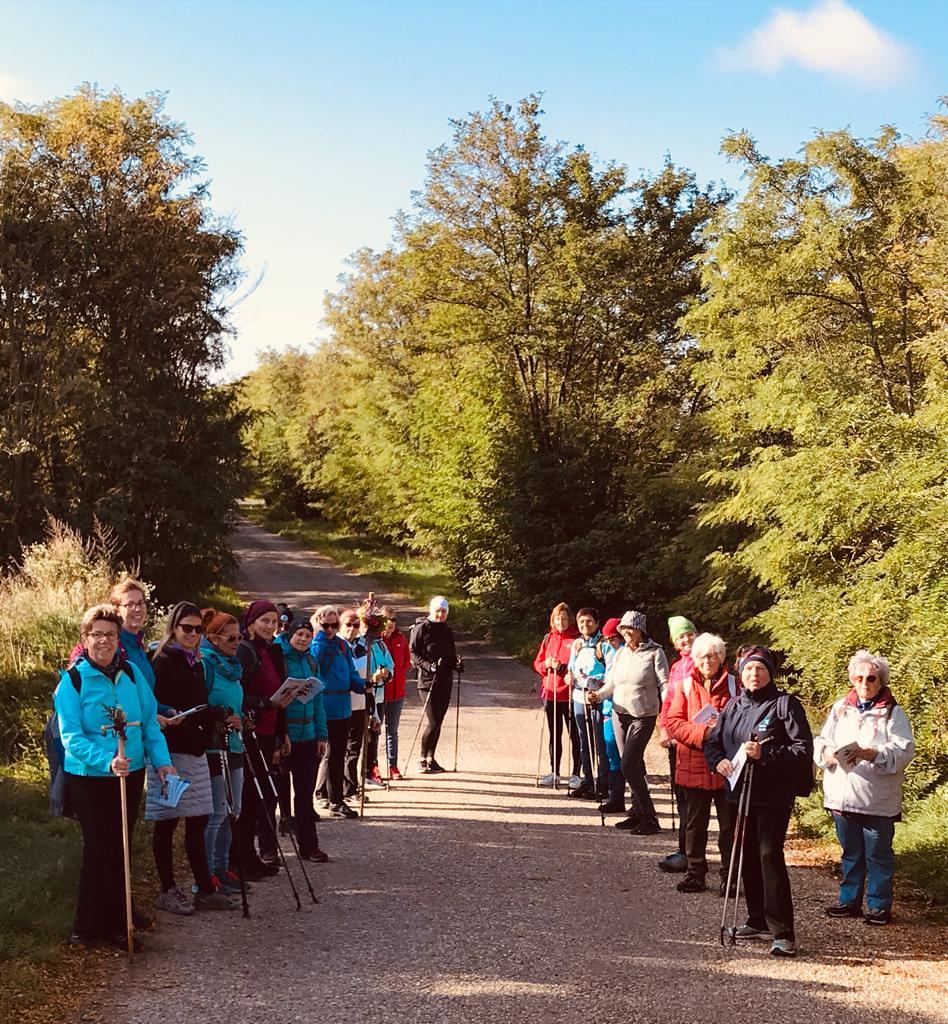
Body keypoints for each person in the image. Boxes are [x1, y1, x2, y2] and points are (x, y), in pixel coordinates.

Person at [55, 605, 176, 950]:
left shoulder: (133, 674)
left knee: (121, 846)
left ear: (118, 639)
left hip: (131, 772)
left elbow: (149, 723)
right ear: (85, 639)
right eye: (97, 634)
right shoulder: (72, 682)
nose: (104, 641)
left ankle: (117, 924)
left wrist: (163, 762)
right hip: (89, 777)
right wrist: (107, 761)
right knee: (99, 847)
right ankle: (85, 925)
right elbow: (71, 737)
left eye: (110, 634)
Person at [704, 645, 813, 957]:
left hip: (773, 795)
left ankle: (783, 931)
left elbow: (803, 749)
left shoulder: (785, 705)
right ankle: (757, 919)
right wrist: (718, 762)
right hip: (738, 792)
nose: (754, 674)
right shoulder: (734, 705)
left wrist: (766, 754)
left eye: (761, 669)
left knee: (768, 855)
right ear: (741, 672)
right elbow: (713, 743)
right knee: (746, 855)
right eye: (749, 669)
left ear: (770, 673)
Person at [814, 650, 915, 926]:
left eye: (871, 678)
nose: (864, 683)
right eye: (859, 678)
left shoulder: (893, 712)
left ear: (881, 681)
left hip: (877, 800)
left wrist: (874, 753)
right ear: (852, 679)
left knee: (878, 855)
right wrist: (828, 754)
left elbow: (905, 750)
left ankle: (879, 905)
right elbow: (822, 740)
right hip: (843, 796)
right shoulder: (840, 708)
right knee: (851, 853)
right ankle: (849, 900)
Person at [146, 602, 234, 913]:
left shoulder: (195, 661)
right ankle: (167, 889)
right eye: (187, 628)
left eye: (198, 629)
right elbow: (151, 703)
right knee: (167, 822)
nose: (193, 634)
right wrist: (169, 714)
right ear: (174, 627)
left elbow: (197, 700)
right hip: (168, 752)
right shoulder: (161, 661)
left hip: (195, 750)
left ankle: (204, 889)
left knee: (198, 820)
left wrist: (213, 713)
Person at [665, 632, 738, 895]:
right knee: (695, 824)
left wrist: (723, 732)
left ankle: (730, 876)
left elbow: (743, 721)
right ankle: (695, 873)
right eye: (702, 657)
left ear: (721, 657)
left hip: (726, 766)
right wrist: (704, 733)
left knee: (729, 826)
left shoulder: (734, 685)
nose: (707, 661)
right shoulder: (684, 685)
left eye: (712, 656)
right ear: (694, 659)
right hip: (693, 763)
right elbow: (673, 723)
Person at [589, 610, 668, 834]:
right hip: (619, 713)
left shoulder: (655, 652)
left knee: (628, 765)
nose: (625, 632)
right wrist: (598, 695)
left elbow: (664, 683)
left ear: (640, 629)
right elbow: (612, 683)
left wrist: (668, 712)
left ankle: (650, 817)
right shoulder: (621, 653)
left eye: (630, 628)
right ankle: (637, 812)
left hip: (643, 715)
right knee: (634, 765)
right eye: (623, 628)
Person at [236, 600, 294, 871]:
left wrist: (283, 734)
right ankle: (243, 856)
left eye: (274, 622)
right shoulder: (245, 651)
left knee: (261, 794)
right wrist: (265, 703)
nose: (271, 627)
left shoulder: (273, 650)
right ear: (250, 624)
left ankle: (252, 855)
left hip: (270, 730)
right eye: (265, 621)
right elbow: (238, 694)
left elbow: (280, 694)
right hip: (251, 731)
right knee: (250, 795)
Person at [200, 608, 247, 894]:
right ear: (214, 638)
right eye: (230, 637)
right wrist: (218, 715)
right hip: (214, 745)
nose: (236, 642)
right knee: (217, 812)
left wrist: (242, 719)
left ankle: (222, 867)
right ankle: (207, 874)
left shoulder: (234, 667)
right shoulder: (206, 664)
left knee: (234, 810)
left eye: (239, 636)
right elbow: (199, 703)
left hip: (236, 743)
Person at [276, 618, 330, 862]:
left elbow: (318, 700)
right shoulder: (280, 659)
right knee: (277, 792)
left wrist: (322, 734)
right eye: (299, 634)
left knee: (305, 793)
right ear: (290, 635)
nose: (303, 639)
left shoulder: (311, 661)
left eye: (308, 635)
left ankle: (309, 846)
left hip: (307, 734)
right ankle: (271, 847)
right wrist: (280, 734)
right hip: (284, 734)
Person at [310, 604, 364, 818]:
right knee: (319, 755)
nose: (330, 629)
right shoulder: (316, 646)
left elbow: (351, 671)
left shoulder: (342, 645)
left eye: (334, 625)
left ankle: (336, 800)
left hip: (343, 706)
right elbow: (315, 674)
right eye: (326, 625)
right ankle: (312, 801)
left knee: (338, 755)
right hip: (324, 705)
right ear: (318, 624)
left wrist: (363, 685)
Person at [657, 615, 696, 873]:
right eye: (681, 636)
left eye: (689, 634)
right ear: (675, 642)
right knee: (682, 796)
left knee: (694, 801)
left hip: (696, 737)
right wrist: (664, 728)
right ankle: (685, 850)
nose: (686, 639)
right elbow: (669, 701)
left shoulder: (705, 661)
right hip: (676, 739)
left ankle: (691, 853)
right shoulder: (676, 667)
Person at [410, 596, 463, 774]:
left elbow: (451, 654)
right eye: (438, 611)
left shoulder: (447, 631)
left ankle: (431, 759)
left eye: (444, 611)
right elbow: (413, 652)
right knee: (433, 722)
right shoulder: (422, 628)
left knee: (438, 721)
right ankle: (421, 759)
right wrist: (428, 666)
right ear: (432, 610)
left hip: (445, 680)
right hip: (427, 681)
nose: (440, 615)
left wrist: (457, 665)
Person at [532, 602, 580, 787]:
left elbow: (581, 665)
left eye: (564, 619)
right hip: (550, 693)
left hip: (569, 695)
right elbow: (537, 663)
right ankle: (555, 772)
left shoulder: (576, 640)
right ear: (553, 620)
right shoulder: (548, 638)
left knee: (575, 735)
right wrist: (547, 665)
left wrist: (564, 668)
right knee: (554, 735)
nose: (561, 622)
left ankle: (576, 774)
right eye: (558, 619)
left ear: (570, 620)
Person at [567, 607, 608, 799]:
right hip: (579, 696)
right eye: (582, 621)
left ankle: (602, 783)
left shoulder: (603, 644)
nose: (585, 625)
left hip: (597, 697)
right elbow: (571, 668)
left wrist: (595, 680)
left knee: (599, 742)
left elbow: (611, 672)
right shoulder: (577, 644)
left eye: (589, 621)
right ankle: (588, 781)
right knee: (583, 740)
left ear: (597, 623)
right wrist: (569, 677)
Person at [357, 600, 394, 787]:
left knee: (374, 733)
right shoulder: (358, 644)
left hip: (378, 695)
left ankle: (370, 770)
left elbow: (391, 666)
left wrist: (386, 673)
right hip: (361, 696)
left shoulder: (380, 645)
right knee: (358, 737)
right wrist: (372, 677)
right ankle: (354, 776)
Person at [598, 618, 626, 814]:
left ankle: (638, 802)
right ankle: (616, 798)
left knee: (629, 757)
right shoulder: (609, 653)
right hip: (608, 709)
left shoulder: (626, 653)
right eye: (607, 639)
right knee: (611, 753)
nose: (610, 642)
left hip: (624, 710)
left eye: (613, 638)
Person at [381, 605, 411, 779]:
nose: (391, 623)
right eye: (387, 619)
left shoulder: (401, 638)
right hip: (379, 693)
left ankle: (393, 766)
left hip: (397, 693)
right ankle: (372, 767)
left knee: (392, 731)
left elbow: (406, 661)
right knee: (374, 732)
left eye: (393, 619)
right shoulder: (376, 641)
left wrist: (398, 676)